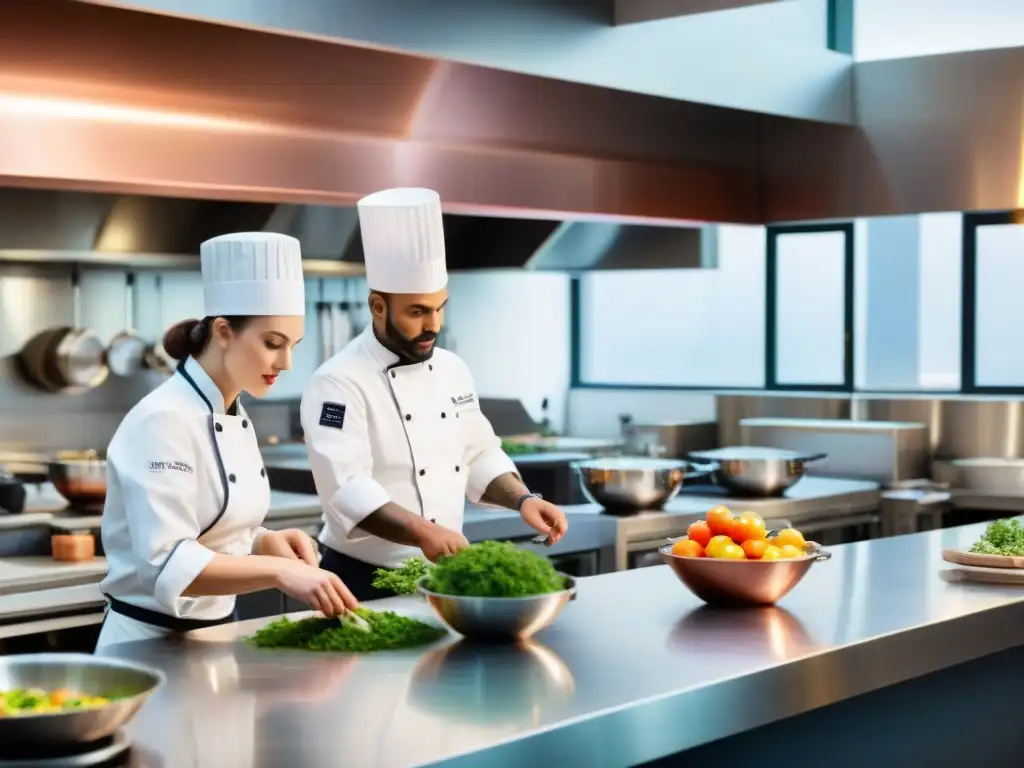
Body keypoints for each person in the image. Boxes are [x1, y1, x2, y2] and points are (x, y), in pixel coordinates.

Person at [300, 188, 568, 600]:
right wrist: (423, 531)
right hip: (361, 580)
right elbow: (346, 488)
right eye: (417, 312)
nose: (434, 324)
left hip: (437, 576)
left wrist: (524, 500)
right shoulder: (337, 383)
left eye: (440, 308)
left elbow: (478, 454)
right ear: (377, 306)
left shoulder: (451, 369)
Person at [95, 232, 357, 652]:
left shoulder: (233, 409)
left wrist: (260, 541)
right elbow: (169, 564)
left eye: (293, 346)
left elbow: (208, 528)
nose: (286, 363)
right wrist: (275, 571)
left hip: (216, 640)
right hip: (149, 646)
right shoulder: (163, 420)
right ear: (223, 332)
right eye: (273, 343)